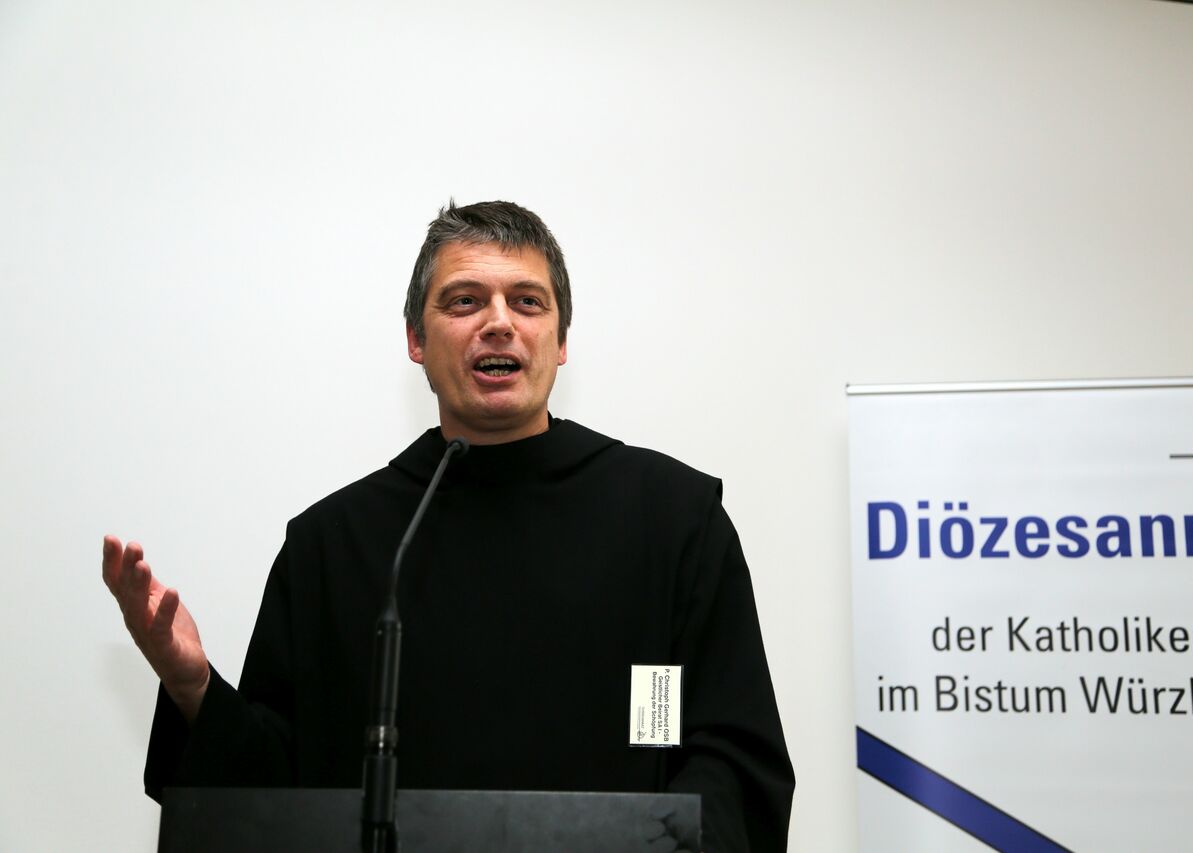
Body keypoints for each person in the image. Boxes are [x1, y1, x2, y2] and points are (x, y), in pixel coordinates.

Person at [102, 200, 794, 851]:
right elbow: (273, 795)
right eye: (465, 301)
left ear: (560, 342)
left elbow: (735, 763)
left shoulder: (672, 520)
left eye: (527, 301)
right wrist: (193, 687)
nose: (499, 322)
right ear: (415, 339)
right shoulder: (332, 546)